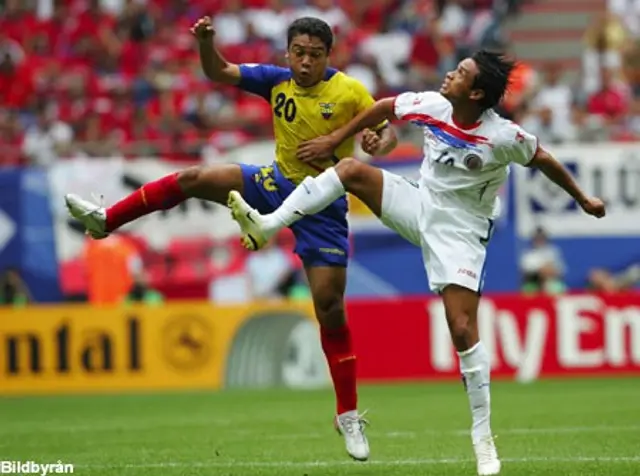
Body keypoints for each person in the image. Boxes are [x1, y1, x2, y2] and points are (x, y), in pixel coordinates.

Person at [226, 50, 607, 476]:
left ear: (476, 92)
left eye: (461, 73)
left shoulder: (503, 136)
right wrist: (337, 140)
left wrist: (584, 199)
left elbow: (544, 159)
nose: (450, 73)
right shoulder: (433, 104)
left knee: (462, 329)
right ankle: (268, 224)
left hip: (461, 232)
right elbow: (387, 107)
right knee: (350, 169)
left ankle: (482, 436)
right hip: (419, 203)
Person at [64, 16, 398, 461]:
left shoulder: (350, 92)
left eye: (315, 55)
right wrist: (206, 42)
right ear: (287, 52)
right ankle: (107, 220)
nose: (305, 62)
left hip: (322, 205)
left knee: (330, 306)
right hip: (273, 181)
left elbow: (387, 128)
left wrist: (380, 142)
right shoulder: (276, 81)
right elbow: (218, 71)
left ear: (328, 56)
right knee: (193, 177)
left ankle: (348, 414)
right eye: (298, 52)